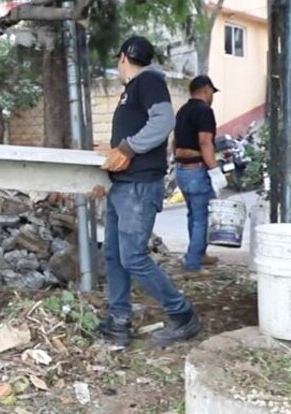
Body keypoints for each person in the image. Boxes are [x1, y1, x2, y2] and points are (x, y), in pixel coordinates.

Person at [97, 35, 201, 347]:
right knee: (114, 254)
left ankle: (182, 315)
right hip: (123, 185)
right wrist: (112, 156)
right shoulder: (132, 90)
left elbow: (164, 120)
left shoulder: (148, 80)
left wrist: (126, 149)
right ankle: (119, 319)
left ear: (121, 59)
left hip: (139, 186)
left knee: (133, 258)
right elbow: (137, 133)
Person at [172, 75, 226, 272]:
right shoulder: (204, 111)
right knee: (201, 217)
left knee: (193, 215)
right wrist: (214, 171)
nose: (213, 96)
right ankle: (193, 262)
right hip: (196, 169)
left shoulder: (182, 111)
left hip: (181, 169)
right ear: (205, 89)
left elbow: (174, 142)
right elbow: (205, 142)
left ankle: (198, 254)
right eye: (212, 91)